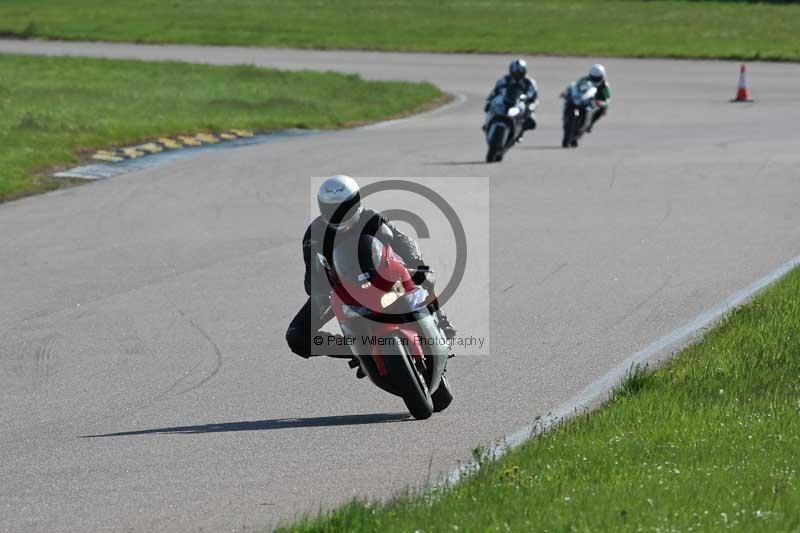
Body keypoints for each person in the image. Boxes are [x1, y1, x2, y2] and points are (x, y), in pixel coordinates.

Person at [285, 175, 456, 369]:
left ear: (356, 202)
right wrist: (321, 293)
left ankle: (440, 319)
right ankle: (355, 349)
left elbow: (403, 240)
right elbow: (311, 276)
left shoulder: (371, 218)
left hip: (381, 277)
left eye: (344, 207)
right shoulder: (314, 234)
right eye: (331, 209)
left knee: (423, 277)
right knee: (296, 336)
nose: (338, 214)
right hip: (342, 290)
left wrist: (417, 263)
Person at [484, 59, 539, 132]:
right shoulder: (505, 79)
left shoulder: (529, 82)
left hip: (521, 101)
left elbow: (532, 93)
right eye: (515, 73)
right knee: (492, 105)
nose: (517, 75)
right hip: (507, 98)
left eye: (519, 73)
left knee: (531, 110)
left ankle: (523, 126)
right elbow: (496, 89)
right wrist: (490, 99)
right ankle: (487, 123)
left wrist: (527, 98)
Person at [580, 64, 610, 132]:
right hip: (583, 98)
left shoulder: (605, 86)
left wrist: (602, 103)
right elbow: (575, 86)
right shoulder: (585, 80)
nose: (595, 80)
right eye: (593, 78)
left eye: (597, 78)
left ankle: (590, 124)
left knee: (603, 109)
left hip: (596, 101)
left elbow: (607, 99)